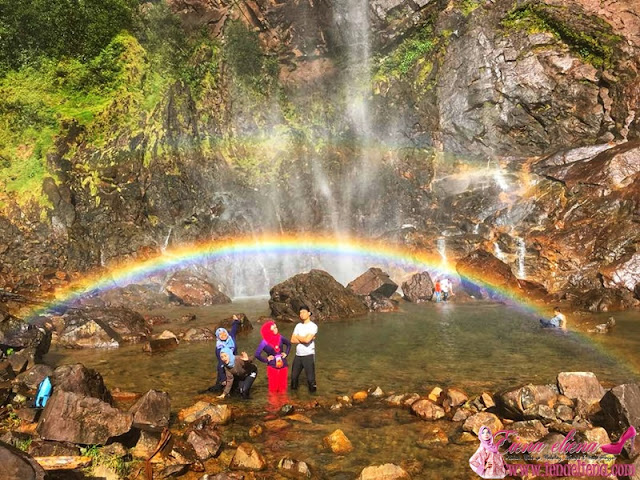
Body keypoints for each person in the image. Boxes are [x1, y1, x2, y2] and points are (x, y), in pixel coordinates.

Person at [255, 320, 291, 394]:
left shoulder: (280, 337)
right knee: (273, 388)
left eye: (276, 327)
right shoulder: (264, 342)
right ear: (269, 331)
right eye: (273, 328)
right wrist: (266, 360)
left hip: (283, 364)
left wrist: (286, 353)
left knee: (283, 387)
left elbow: (289, 344)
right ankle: (273, 404)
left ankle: (283, 403)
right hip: (272, 365)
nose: (276, 329)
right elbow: (257, 354)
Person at [290, 305, 318, 393]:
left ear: (309, 313)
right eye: (300, 312)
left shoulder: (313, 326)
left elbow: (307, 340)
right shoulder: (298, 325)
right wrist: (305, 339)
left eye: (304, 312)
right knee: (294, 378)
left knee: (310, 380)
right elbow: (292, 340)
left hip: (308, 355)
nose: (301, 314)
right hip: (298, 355)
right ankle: (294, 398)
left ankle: (314, 398)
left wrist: (298, 336)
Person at [212, 315, 242, 392]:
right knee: (221, 387)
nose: (223, 335)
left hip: (235, 363)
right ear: (218, 337)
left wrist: (236, 321)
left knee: (236, 385)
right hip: (225, 368)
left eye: (224, 333)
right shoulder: (219, 347)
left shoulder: (231, 337)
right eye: (220, 334)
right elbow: (220, 364)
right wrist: (223, 378)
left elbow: (234, 329)